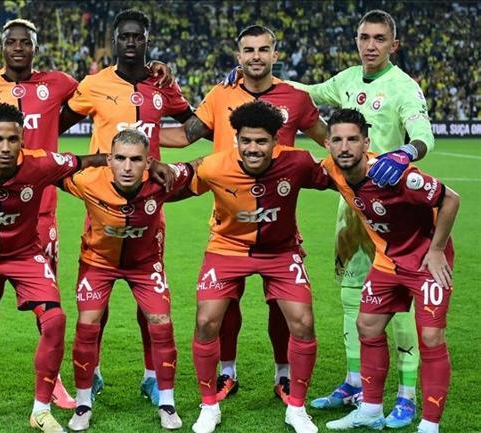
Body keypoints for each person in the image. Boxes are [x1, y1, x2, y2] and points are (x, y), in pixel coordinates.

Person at [0, 17, 175, 409]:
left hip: (41, 211)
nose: (18, 48)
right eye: (12, 41)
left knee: (47, 304)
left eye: (26, 42)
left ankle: (53, 382)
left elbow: (105, 90)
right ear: (2, 46)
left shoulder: (61, 83)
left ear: (36, 48)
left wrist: (152, 70)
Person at [0, 103, 171, 433]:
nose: (5, 147)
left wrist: (145, 164)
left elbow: (84, 161)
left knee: (55, 321)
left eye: (13, 139)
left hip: (25, 255)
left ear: (22, 140)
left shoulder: (40, 163)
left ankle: (41, 410)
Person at [160, 24, 327, 404]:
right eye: (248, 50)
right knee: (224, 304)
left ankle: (283, 373)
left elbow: (328, 140)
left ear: (275, 54)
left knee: (283, 306)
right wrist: (136, 135)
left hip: (277, 218)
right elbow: (186, 136)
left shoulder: (296, 98)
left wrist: (368, 153)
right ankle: (227, 371)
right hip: (229, 215)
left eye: (263, 49)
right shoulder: (221, 94)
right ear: (238, 56)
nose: (256, 56)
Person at [290, 10, 435, 426]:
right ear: (356, 41)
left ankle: (406, 395)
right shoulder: (347, 80)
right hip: (352, 208)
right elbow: (306, 91)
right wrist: (256, 79)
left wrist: (406, 152)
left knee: (399, 302)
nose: (370, 45)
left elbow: (423, 133)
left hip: (394, 211)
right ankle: (356, 381)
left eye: (379, 38)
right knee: (351, 293)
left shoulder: (403, 86)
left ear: (393, 45)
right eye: (364, 38)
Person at [59, 9, 193, 402]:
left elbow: (191, 128)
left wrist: (162, 147)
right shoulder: (94, 84)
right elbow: (55, 124)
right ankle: (93, 371)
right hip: (102, 202)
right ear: (114, 41)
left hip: (149, 205)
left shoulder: (162, 84)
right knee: (95, 303)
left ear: (147, 40)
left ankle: (152, 375)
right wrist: (87, 163)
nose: (131, 42)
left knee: (147, 299)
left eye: (138, 36)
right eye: (125, 36)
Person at [182, 101, 331, 433]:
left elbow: (338, 176)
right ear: (236, 139)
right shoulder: (214, 166)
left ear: (276, 140)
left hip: (281, 251)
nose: (253, 148)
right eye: (246, 140)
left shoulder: (298, 162)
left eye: (261, 141)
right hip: (226, 248)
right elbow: (178, 183)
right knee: (206, 321)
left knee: (303, 322)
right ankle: (209, 406)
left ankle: (297, 408)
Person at [321, 109, 458, 433]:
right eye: (337, 140)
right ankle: (370, 410)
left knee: (431, 337)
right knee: (367, 326)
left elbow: (451, 200)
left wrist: (437, 250)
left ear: (366, 143)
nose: (344, 147)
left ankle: (429, 424)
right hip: (387, 261)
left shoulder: (396, 175)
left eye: (352, 139)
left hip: (426, 261)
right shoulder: (332, 169)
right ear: (327, 144)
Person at [62, 129, 192, 431]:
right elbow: (50, 172)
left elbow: (201, 170)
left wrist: (167, 167)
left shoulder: (162, 181)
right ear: (109, 160)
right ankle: (83, 403)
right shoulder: (87, 181)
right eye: (120, 158)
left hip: (145, 266)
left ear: (148, 162)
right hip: (98, 263)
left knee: (161, 321)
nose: (127, 167)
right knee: (87, 324)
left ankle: (167, 402)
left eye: (136, 159)